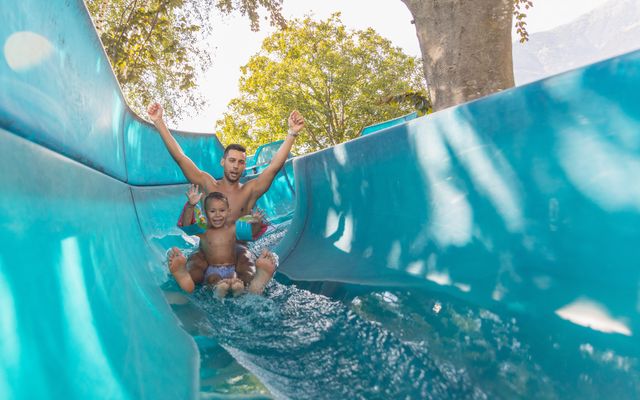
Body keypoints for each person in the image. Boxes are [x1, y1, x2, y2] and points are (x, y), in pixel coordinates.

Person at [147, 102, 304, 294]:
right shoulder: (207, 184)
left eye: (241, 162)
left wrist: (292, 134)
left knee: (247, 263)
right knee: (196, 262)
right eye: (232, 160)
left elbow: (273, 168)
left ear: (244, 165)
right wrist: (159, 122)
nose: (236, 166)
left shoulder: (250, 190)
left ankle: (254, 282)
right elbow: (180, 157)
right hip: (207, 252)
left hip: (238, 252)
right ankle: (186, 277)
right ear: (223, 161)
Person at [169, 190, 271, 297]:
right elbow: (187, 226)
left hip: (232, 268)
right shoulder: (204, 230)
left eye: (222, 210)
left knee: (237, 281)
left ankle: (251, 286)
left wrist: (257, 223)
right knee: (213, 279)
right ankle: (188, 279)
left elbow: (251, 234)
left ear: (228, 211)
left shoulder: (233, 228)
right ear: (205, 212)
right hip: (212, 269)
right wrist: (191, 205)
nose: (217, 215)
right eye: (212, 211)